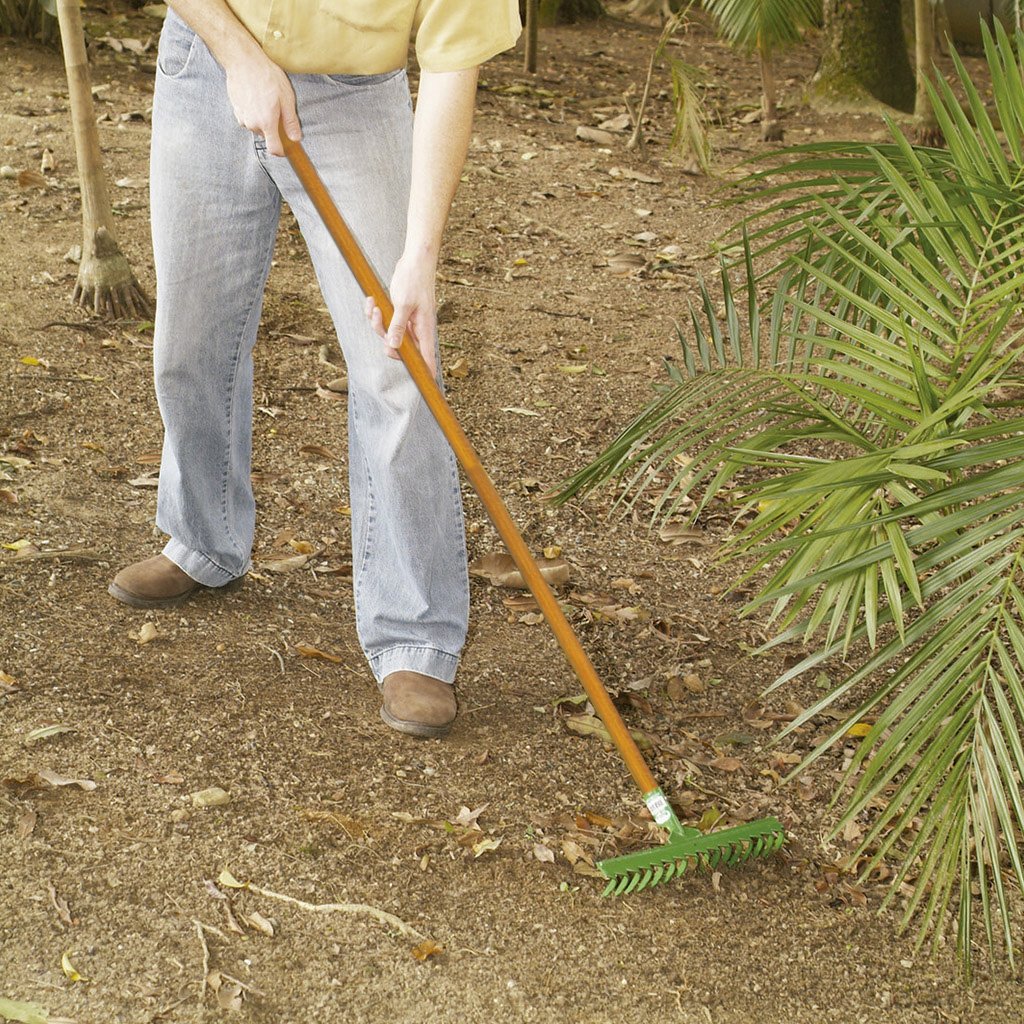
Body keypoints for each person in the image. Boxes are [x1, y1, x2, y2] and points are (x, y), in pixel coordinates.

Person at [108, 0, 521, 739]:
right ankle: (203, 539)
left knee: (399, 365)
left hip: (356, 100)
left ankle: (415, 634)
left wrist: (419, 259)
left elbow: (455, 65)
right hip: (207, 64)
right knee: (189, 339)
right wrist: (238, 55)